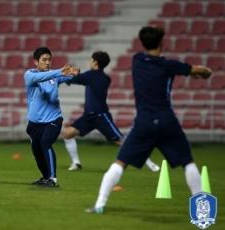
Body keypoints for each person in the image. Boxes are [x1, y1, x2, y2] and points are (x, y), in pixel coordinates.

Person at [86, 26, 212, 214]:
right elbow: (199, 70)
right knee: (188, 163)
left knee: (120, 162)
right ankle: (203, 212)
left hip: (144, 122)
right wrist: (205, 72)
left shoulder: (137, 60)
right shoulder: (170, 65)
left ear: (143, 42)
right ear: (162, 42)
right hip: (167, 120)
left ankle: (99, 205)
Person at [62, 51, 160, 172]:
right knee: (67, 133)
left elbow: (74, 79)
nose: (90, 62)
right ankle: (76, 163)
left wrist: (71, 74)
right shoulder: (104, 77)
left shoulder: (91, 75)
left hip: (101, 116)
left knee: (121, 141)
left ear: (95, 62)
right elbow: (84, 78)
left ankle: (148, 162)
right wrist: (76, 75)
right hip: (89, 116)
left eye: (91, 60)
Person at [24, 47, 78, 187]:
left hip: (53, 120)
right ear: (36, 62)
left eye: (49, 59)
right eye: (44, 60)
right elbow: (45, 76)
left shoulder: (54, 76)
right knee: (37, 151)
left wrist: (75, 72)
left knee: (46, 143)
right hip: (34, 123)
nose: (47, 62)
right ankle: (45, 177)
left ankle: (53, 179)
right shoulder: (30, 75)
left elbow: (72, 75)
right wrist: (60, 71)